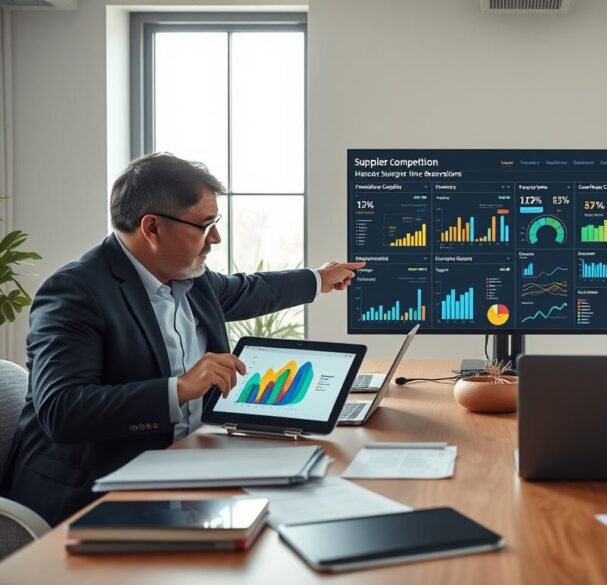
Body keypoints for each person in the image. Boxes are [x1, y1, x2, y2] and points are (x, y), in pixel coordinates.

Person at [0, 153, 365, 525]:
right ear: (152, 228)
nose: (216, 238)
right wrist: (179, 389)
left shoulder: (191, 278)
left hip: (189, 463)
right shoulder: (75, 292)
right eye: (205, 226)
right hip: (95, 494)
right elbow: (62, 410)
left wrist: (320, 278)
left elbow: (247, 290)